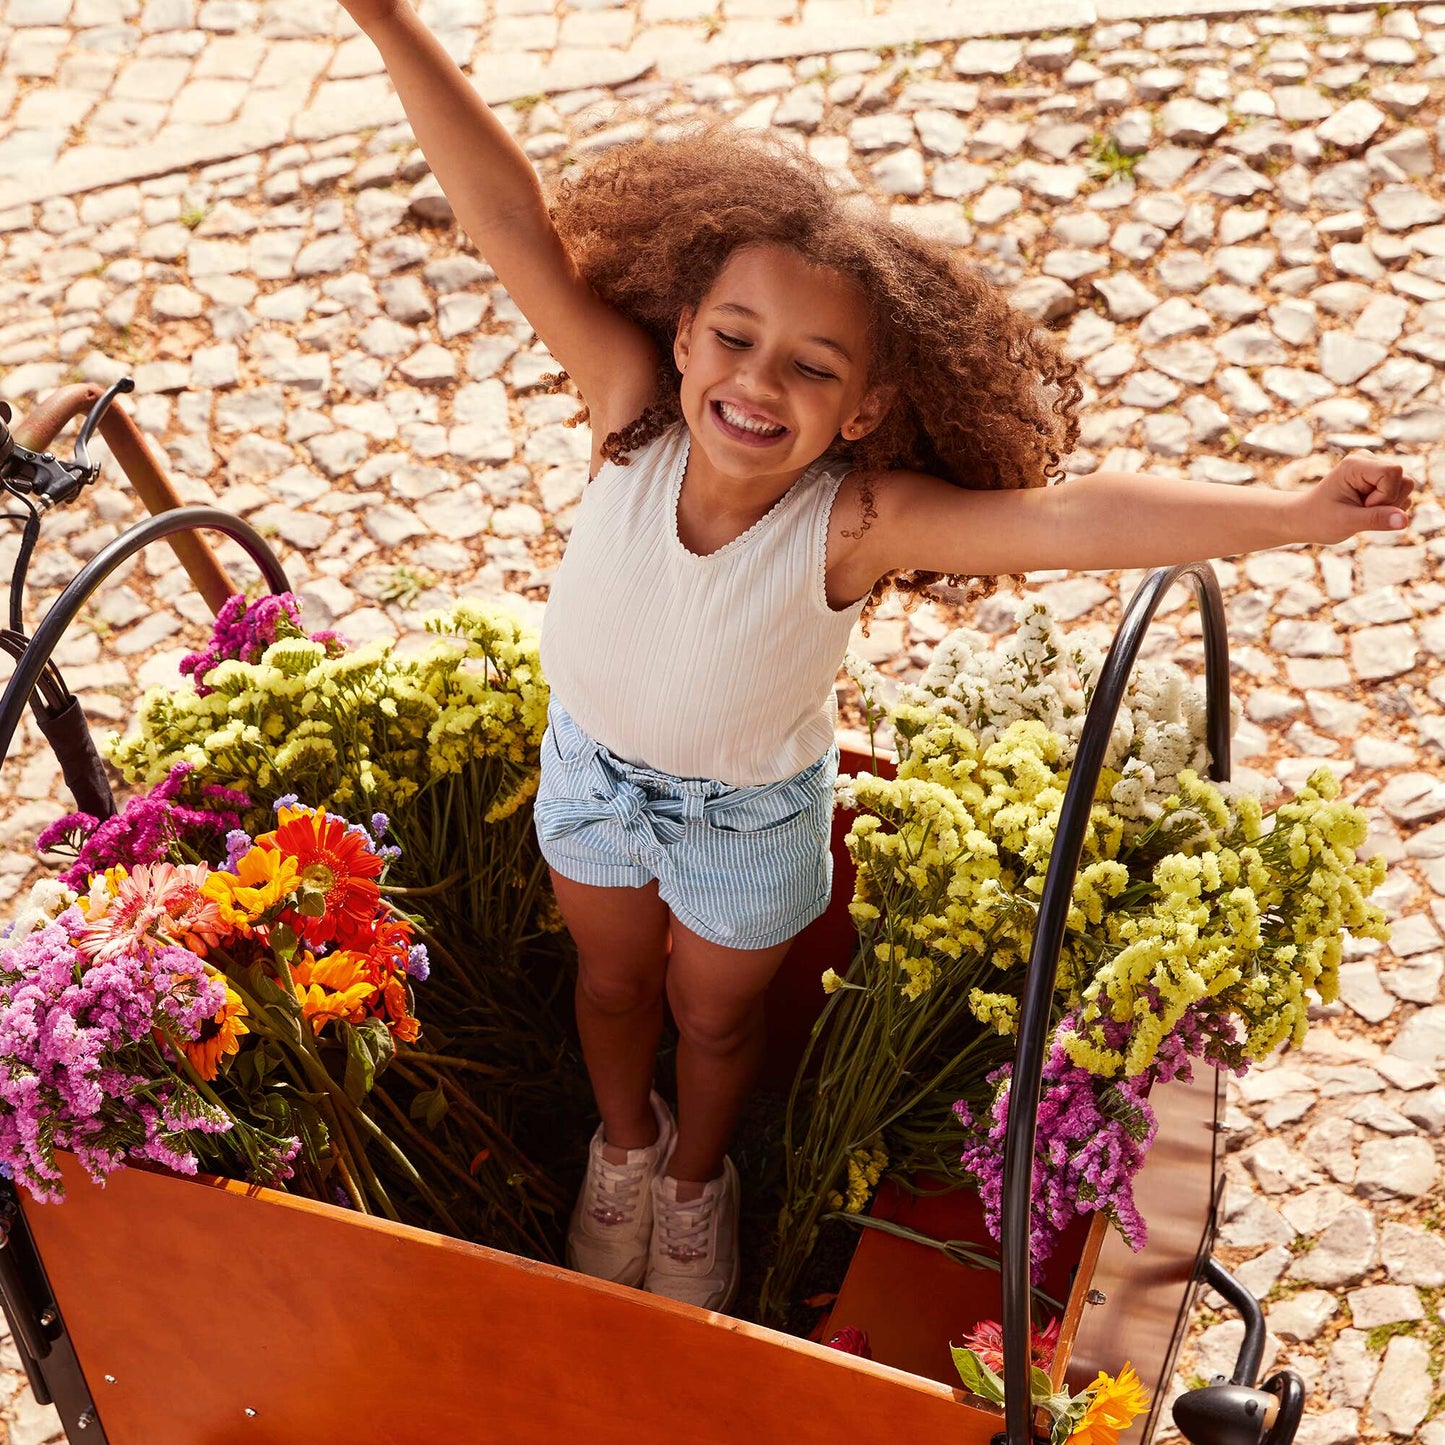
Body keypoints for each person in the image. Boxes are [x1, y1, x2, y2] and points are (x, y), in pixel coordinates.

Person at [340, 0, 1415, 1313]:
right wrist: (385, 22)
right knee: (611, 983)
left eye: (810, 367)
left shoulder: (851, 517)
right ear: (681, 335)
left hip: (744, 820)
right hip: (591, 778)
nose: (755, 381)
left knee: (718, 1017)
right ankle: (622, 1146)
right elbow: (508, 218)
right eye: (732, 338)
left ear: (866, 409)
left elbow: (1075, 520)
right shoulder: (630, 412)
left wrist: (1293, 513)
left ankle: (696, 1181)